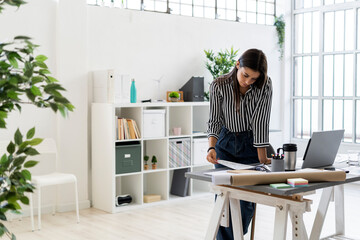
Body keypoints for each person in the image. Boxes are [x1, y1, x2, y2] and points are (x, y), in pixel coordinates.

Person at [206, 48, 272, 239]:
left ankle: (235, 236)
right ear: (237, 65)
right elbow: (215, 119)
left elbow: (261, 121)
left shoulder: (265, 85)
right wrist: (211, 146)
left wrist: (262, 158)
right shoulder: (219, 85)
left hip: (251, 143)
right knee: (224, 200)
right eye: (245, 75)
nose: (248, 81)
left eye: (253, 79)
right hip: (224, 144)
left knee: (246, 202)